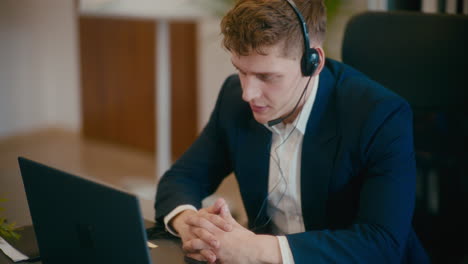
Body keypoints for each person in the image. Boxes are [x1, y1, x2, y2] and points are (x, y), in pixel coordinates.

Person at [155, 0, 429, 263]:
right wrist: (190, 223)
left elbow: (382, 243)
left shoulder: (380, 115)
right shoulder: (233, 96)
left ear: (314, 62)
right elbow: (182, 178)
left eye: (266, 77)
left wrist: (257, 248)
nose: (248, 93)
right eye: (241, 71)